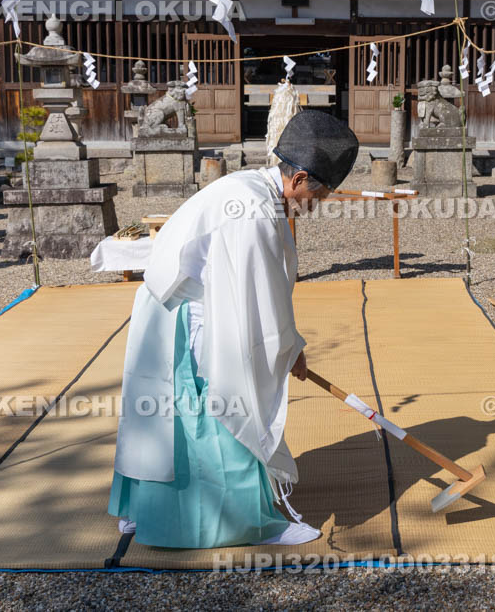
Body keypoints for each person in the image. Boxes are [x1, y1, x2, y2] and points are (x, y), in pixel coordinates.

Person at [110, 110, 359, 548]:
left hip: (168, 311)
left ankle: (145, 510)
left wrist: (290, 346)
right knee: (221, 414)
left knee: (163, 423)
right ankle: (245, 522)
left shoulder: (253, 187)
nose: (315, 207)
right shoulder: (255, 212)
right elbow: (258, 302)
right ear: (299, 178)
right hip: (193, 320)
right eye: (318, 197)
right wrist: (288, 348)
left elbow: (262, 291)